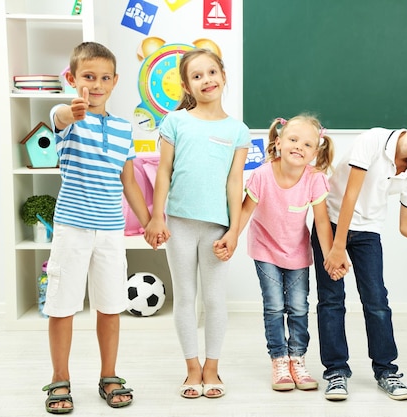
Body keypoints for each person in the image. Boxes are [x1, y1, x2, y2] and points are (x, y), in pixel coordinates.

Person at [313, 111, 407, 401]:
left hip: (367, 231)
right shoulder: (373, 139)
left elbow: (406, 226)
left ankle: (386, 370)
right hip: (332, 223)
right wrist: (336, 247)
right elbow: (350, 197)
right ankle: (335, 371)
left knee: (377, 301)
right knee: (331, 300)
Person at [42, 42, 151, 413]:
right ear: (72, 79)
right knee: (62, 306)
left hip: (110, 231)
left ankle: (109, 376)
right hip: (72, 228)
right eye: (88, 77)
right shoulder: (69, 120)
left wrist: (151, 220)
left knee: (109, 306)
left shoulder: (123, 129)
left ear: (116, 81)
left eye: (105, 78)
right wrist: (71, 112)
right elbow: (58, 116)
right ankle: (60, 379)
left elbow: (130, 182)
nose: (97, 84)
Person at [143, 48, 250, 400]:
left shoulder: (237, 130)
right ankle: (192, 368)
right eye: (197, 76)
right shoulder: (175, 123)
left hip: (217, 227)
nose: (207, 80)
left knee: (216, 300)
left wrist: (234, 230)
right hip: (179, 223)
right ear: (187, 87)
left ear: (223, 75)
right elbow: (163, 172)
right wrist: (157, 216)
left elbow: (236, 182)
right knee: (185, 297)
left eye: (211, 72)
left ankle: (212, 368)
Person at [214, 115, 346, 392]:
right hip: (265, 249)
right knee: (274, 306)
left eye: (307, 144)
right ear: (278, 142)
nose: (299, 147)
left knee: (298, 307)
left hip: (297, 253)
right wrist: (231, 238)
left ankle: (297, 359)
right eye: (293, 140)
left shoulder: (315, 179)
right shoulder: (262, 175)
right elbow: (245, 211)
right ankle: (279, 359)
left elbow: (321, 222)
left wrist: (330, 255)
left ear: (315, 151)